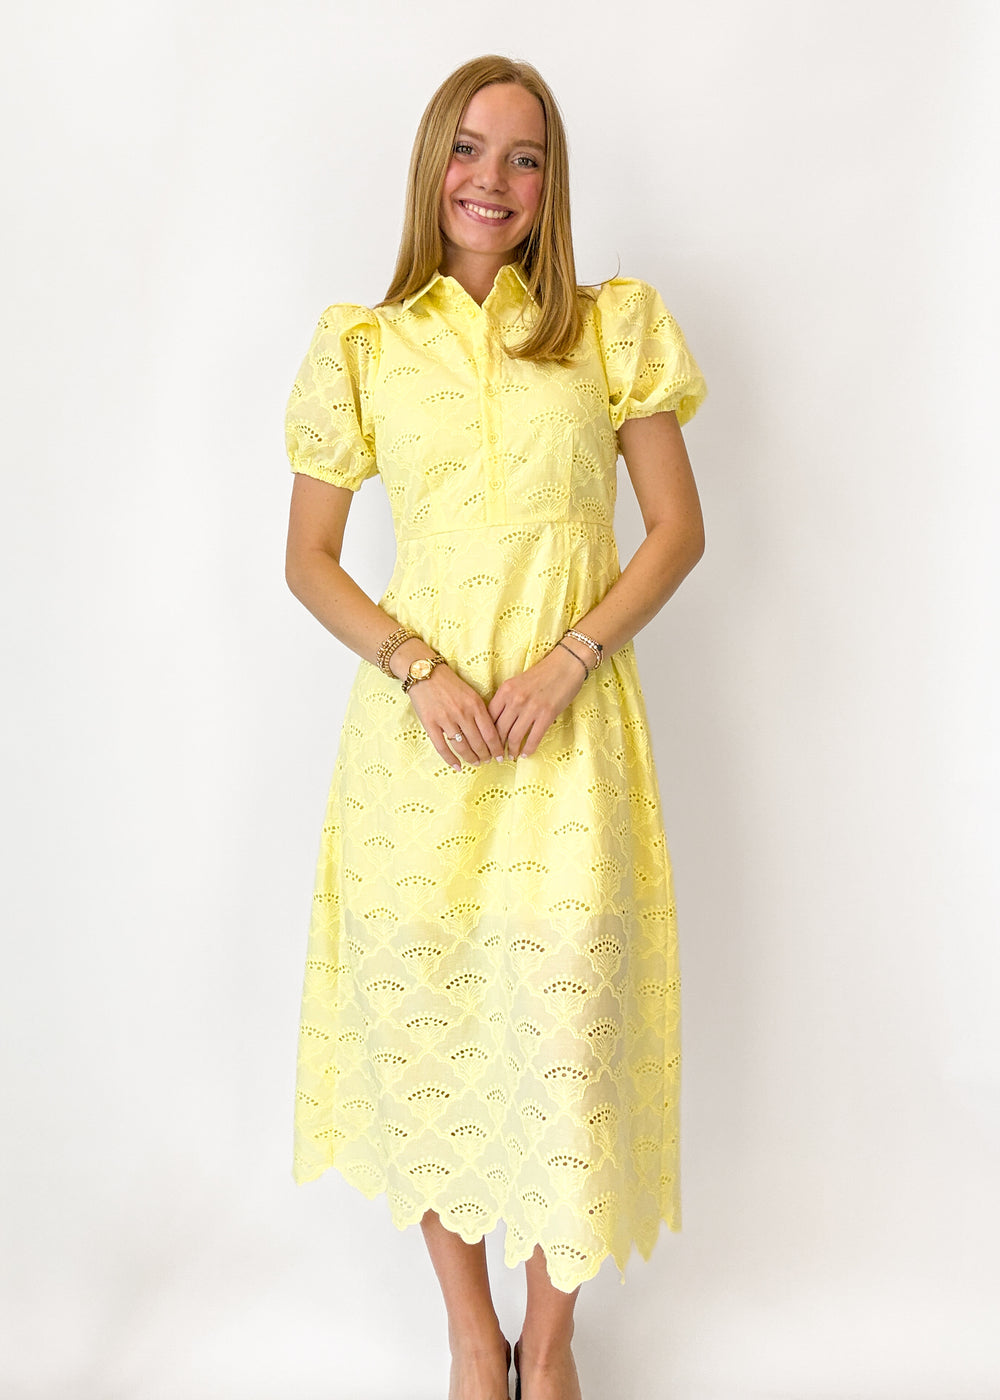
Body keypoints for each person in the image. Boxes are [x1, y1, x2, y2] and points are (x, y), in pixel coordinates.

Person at [283, 53, 707, 1400]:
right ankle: (474, 1339)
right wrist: (417, 668)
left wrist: (573, 657)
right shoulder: (363, 343)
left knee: (566, 1035)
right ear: (432, 164)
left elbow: (676, 531)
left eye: (526, 157)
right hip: (421, 750)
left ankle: (555, 1337)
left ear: (550, 185)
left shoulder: (608, 326)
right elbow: (309, 561)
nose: (493, 179)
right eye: (470, 148)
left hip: (568, 740)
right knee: (431, 1029)